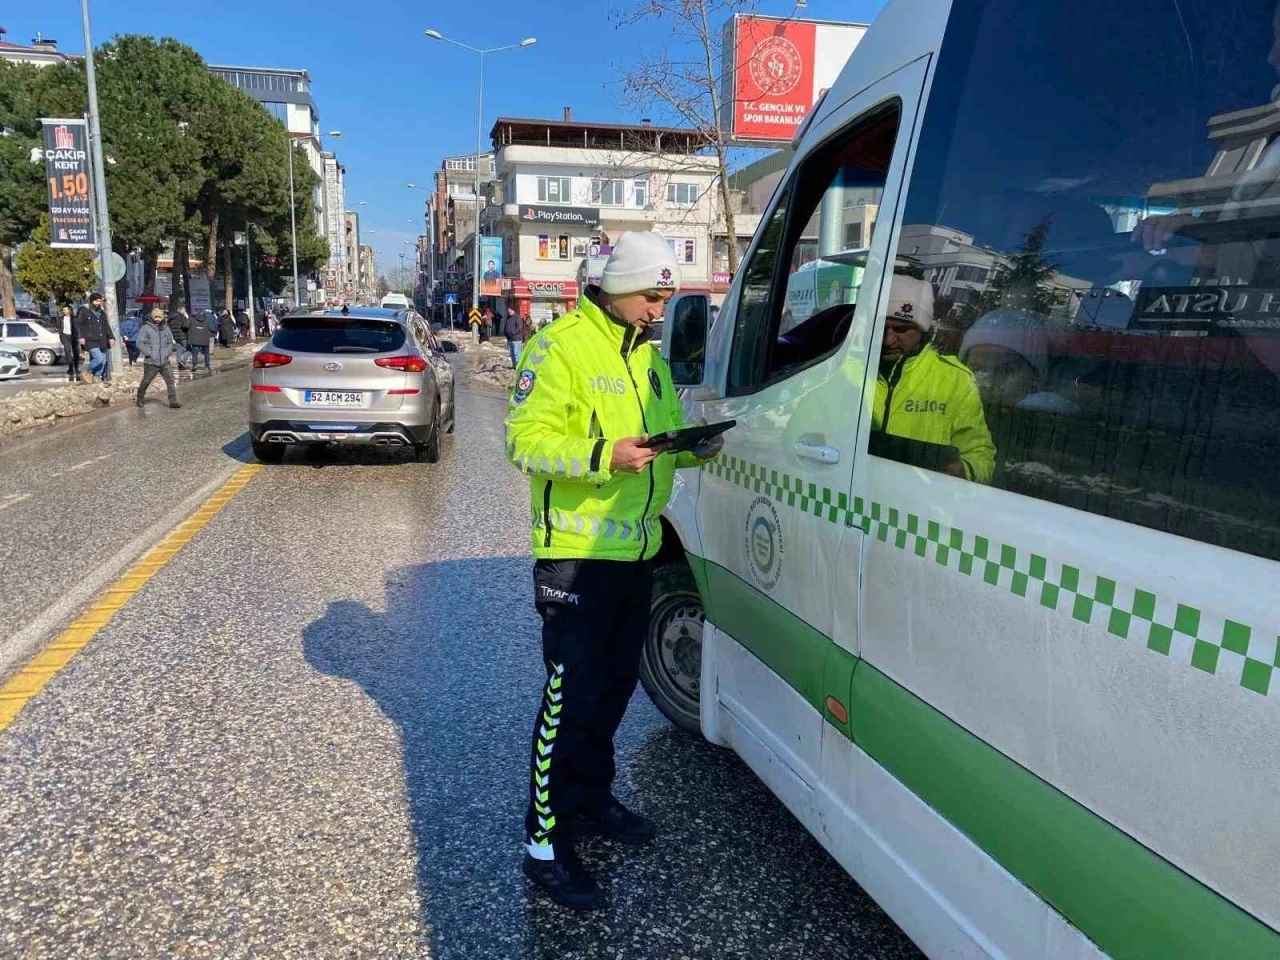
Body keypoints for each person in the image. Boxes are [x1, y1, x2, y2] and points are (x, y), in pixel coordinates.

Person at [505, 230, 724, 911]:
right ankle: (544, 845)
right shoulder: (560, 346)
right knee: (569, 699)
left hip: (637, 549)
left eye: (664, 296)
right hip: (577, 556)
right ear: (618, 287)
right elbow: (524, 440)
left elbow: (652, 444)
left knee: (614, 691)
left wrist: (690, 449)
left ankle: (592, 799)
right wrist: (604, 456)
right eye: (652, 295)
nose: (659, 308)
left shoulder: (649, 358)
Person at [872, 275, 995, 482]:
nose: (888, 339)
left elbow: (980, 454)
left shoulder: (955, 380)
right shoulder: (848, 368)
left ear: (923, 330)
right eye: (880, 327)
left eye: (901, 329)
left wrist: (962, 471)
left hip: (922, 502)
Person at [135, 309, 181, 409]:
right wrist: (149, 353)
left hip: (164, 361)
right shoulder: (146, 328)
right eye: (155, 317)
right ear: (152, 317)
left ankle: (173, 401)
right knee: (146, 381)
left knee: (170, 381)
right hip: (151, 362)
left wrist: (167, 353)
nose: (157, 319)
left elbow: (170, 343)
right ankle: (140, 398)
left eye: (159, 317)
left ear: (162, 317)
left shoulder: (166, 328)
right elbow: (139, 343)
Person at [76, 292, 114, 383]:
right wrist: (81, 337)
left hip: (102, 340)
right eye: (97, 301)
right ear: (92, 301)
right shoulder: (84, 312)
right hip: (91, 340)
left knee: (103, 360)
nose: (99, 303)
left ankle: (97, 377)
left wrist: (111, 337)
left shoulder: (102, 313)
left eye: (100, 301)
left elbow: (106, 326)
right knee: (98, 358)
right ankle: (87, 372)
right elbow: (78, 325)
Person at [186, 302, 213, 375]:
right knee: (207, 353)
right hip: (205, 338)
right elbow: (211, 328)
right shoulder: (206, 319)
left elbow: (185, 325)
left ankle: (195, 365)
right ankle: (207, 365)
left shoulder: (191, 318)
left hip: (195, 339)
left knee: (195, 354)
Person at [58, 303, 82, 382]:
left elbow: (78, 328)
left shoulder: (74, 318)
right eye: (63, 310)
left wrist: (79, 337)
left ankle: (77, 368)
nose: (65, 311)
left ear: (70, 310)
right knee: (67, 353)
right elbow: (60, 329)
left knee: (76, 353)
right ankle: (70, 368)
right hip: (66, 336)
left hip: (74, 336)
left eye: (66, 309)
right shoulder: (61, 318)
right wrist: (61, 337)